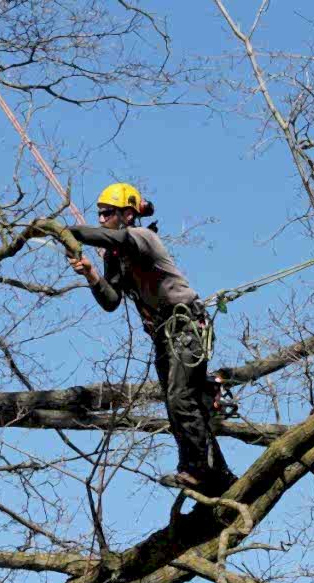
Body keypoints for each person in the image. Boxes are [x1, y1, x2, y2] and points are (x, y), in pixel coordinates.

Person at [35, 183, 235, 491]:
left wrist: (66, 231)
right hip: (164, 336)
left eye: (108, 213)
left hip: (186, 327)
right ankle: (217, 475)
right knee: (179, 404)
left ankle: (197, 470)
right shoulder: (116, 256)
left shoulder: (142, 238)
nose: (101, 219)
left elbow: (115, 238)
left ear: (128, 214)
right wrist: (91, 274)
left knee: (182, 399)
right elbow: (111, 300)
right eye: (99, 214)